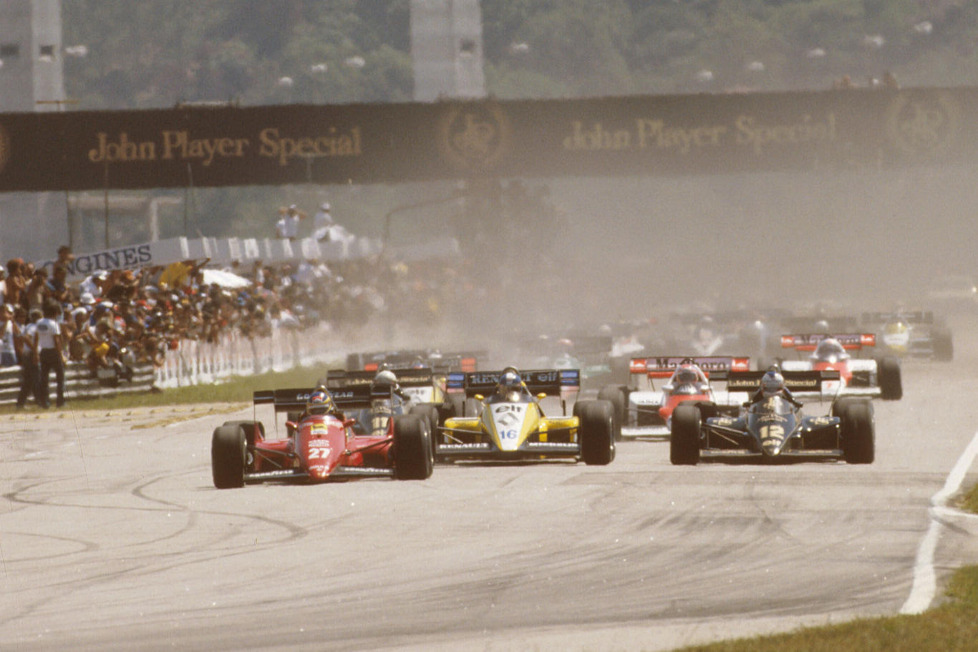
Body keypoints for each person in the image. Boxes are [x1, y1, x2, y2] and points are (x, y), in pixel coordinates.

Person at [35, 301, 66, 408]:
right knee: (60, 377)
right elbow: (56, 340)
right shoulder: (53, 324)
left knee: (44, 378)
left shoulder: (39, 322)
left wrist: (36, 352)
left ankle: (45, 402)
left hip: (43, 351)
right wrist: (61, 354)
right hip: (53, 351)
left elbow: (36, 337)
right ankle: (60, 401)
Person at [16, 308, 41, 408]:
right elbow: (26, 337)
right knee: (36, 378)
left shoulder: (28, 326)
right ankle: (39, 401)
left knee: (28, 380)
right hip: (31, 354)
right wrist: (35, 352)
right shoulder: (33, 327)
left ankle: (20, 403)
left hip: (28, 354)